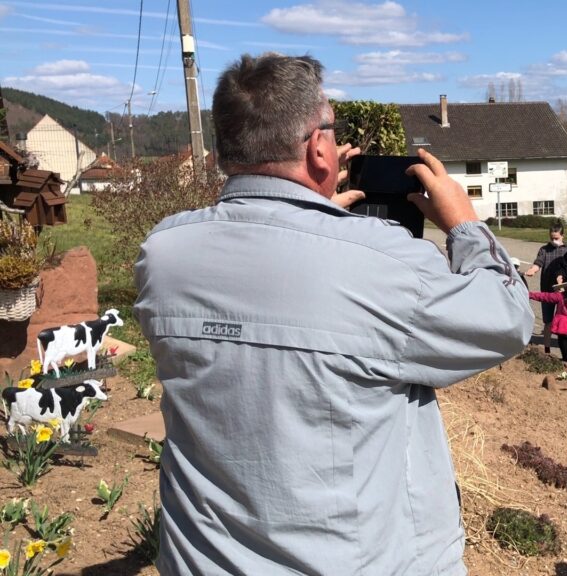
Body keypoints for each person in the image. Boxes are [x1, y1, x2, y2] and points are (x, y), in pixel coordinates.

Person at [133, 53, 533, 576]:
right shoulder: (383, 262)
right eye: (329, 130)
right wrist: (464, 223)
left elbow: (260, 275)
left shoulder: (162, 253)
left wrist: (313, 213)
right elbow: (507, 316)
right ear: (320, 150)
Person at [525, 222, 567, 353]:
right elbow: (538, 262)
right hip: (547, 290)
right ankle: (547, 348)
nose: (554, 241)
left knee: (564, 320)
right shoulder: (544, 249)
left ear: (563, 236)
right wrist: (533, 270)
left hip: (564, 292)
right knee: (548, 322)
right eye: (552, 238)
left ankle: (566, 350)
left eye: (556, 238)